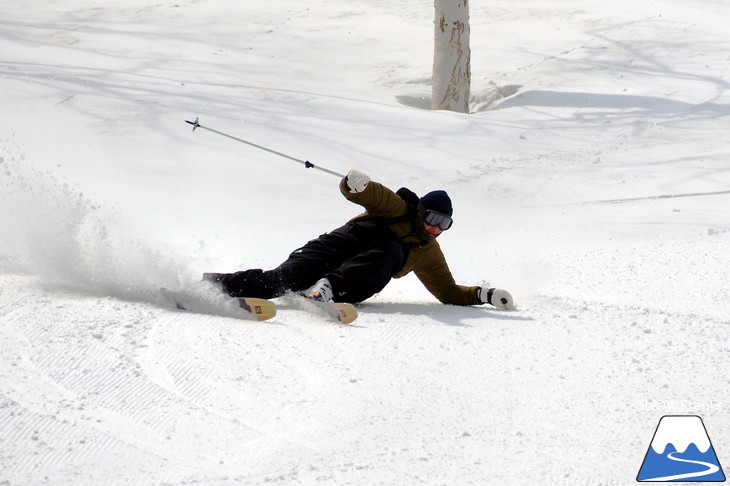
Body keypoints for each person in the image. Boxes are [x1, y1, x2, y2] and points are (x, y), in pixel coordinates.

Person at [205, 170, 514, 309]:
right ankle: (207, 285)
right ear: (420, 212)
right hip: (334, 248)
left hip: (351, 280)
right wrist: (355, 185)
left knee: (393, 250)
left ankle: (327, 289)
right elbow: (373, 195)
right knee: (282, 280)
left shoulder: (427, 252)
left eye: (445, 224)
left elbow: (447, 290)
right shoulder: (398, 209)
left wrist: (483, 294)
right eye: (433, 219)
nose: (436, 228)